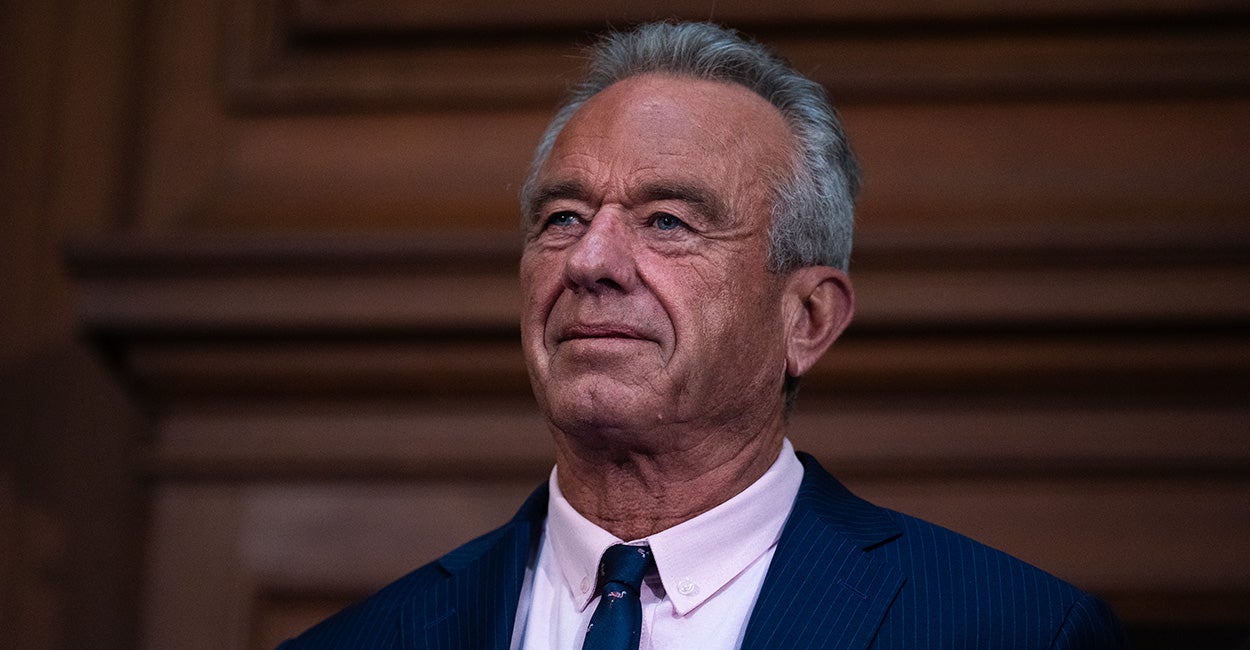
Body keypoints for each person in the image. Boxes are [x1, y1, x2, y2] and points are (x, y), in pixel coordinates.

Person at [279, 21, 1126, 649]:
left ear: (806, 318)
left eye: (668, 222)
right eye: (563, 217)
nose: (591, 261)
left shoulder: (1015, 631)